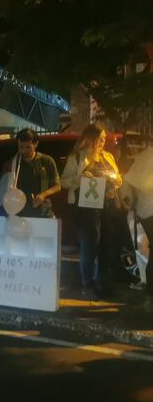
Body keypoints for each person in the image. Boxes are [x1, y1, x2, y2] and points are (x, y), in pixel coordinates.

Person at [61, 124, 122, 299]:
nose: (103, 142)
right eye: (100, 138)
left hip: (107, 206)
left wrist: (115, 180)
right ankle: (87, 283)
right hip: (84, 207)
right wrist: (78, 179)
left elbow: (118, 178)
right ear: (90, 138)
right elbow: (64, 181)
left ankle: (103, 283)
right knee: (90, 244)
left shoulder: (108, 157)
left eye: (104, 139)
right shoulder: (78, 157)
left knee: (107, 245)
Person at [3, 129, 61, 218]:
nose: (24, 151)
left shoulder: (46, 161)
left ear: (36, 144)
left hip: (42, 211)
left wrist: (43, 195)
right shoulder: (13, 163)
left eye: (28, 147)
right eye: (21, 147)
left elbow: (57, 186)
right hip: (19, 212)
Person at [120, 145, 153, 295]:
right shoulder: (147, 156)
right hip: (143, 213)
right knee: (143, 249)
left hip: (142, 213)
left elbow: (128, 185)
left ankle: (146, 281)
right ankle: (146, 281)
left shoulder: (145, 156)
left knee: (142, 249)